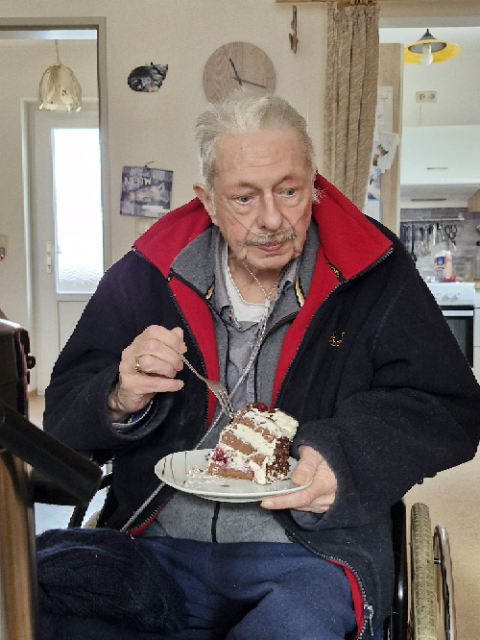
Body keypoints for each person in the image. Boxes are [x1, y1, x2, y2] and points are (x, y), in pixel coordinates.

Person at [43, 92, 480, 640]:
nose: (272, 219)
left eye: (289, 191)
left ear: (314, 183)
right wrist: (117, 397)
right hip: (155, 545)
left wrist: (345, 458)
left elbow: (448, 408)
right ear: (207, 201)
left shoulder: (374, 268)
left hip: (310, 556)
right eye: (244, 198)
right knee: (53, 603)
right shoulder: (147, 272)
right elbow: (60, 417)